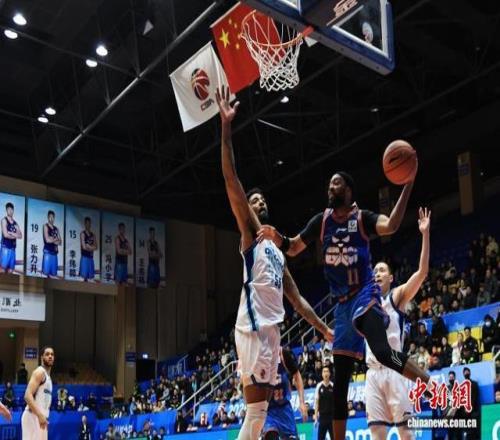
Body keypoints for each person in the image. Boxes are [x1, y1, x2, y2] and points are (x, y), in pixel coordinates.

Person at [258, 168, 431, 439]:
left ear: (349, 190)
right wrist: (276, 236)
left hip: (364, 292)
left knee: (383, 351)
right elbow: (292, 248)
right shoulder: (321, 221)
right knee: (339, 386)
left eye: (336, 183)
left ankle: (430, 385)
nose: (331, 187)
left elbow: (391, 226)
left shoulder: (362, 218)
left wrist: (407, 184)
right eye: (329, 184)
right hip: (341, 306)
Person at [216, 86, 332, 440]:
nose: (259, 202)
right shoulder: (251, 235)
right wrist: (226, 127)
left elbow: (297, 300)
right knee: (255, 414)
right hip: (252, 327)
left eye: (262, 199)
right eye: (254, 200)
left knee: (259, 414)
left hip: (272, 332)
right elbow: (231, 180)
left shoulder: (278, 251)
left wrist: (323, 328)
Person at [365, 207, 430, 440]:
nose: (377, 273)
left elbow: (422, 272)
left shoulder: (396, 297)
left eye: (382, 270)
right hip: (372, 374)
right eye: (375, 271)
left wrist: (425, 234)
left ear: (391, 278)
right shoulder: (365, 303)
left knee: (406, 434)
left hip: (395, 369)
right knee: (377, 435)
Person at [263, 347, 308, 440]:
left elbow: (297, 375)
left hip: (284, 408)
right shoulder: (258, 357)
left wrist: (302, 402)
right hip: (268, 410)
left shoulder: (282, 353)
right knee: (270, 436)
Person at [22, 346, 54, 440]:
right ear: (41, 357)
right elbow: (27, 396)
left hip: (41, 418)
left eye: (52, 354)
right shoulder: (40, 372)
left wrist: (43, 417)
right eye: (47, 354)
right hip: (32, 417)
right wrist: (40, 415)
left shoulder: (48, 378)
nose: (50, 356)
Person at [0, 202, 22, 273]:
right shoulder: (4, 220)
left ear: (13, 210)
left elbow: (20, 236)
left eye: (11, 209)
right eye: (8, 209)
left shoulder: (15, 223)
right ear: (6, 210)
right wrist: (15, 235)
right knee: (2, 269)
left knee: (11, 270)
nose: (10, 211)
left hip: (13, 249)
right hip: (5, 248)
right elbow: (5, 235)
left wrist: (11, 233)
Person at [314, 366, 334, 440]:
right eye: (324, 371)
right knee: (320, 438)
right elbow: (317, 402)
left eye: (327, 371)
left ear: (329, 374)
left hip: (332, 417)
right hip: (322, 417)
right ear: (322, 374)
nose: (326, 373)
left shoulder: (332, 386)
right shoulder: (319, 386)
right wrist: (316, 418)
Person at [42, 211, 61, 278]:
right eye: (50, 217)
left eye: (53, 217)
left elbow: (60, 242)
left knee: (54, 274)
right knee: (46, 274)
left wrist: (52, 239)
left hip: (55, 254)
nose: (51, 219)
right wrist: (56, 239)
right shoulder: (45, 226)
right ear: (48, 217)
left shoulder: (56, 229)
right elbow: (47, 240)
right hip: (48, 253)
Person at [79, 217, 98, 281]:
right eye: (87, 223)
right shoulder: (82, 234)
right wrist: (92, 248)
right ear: (85, 224)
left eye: (89, 223)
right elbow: (84, 247)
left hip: (91, 258)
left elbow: (96, 247)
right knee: (84, 278)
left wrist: (89, 246)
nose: (88, 225)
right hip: (84, 257)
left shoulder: (93, 235)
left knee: (90, 278)